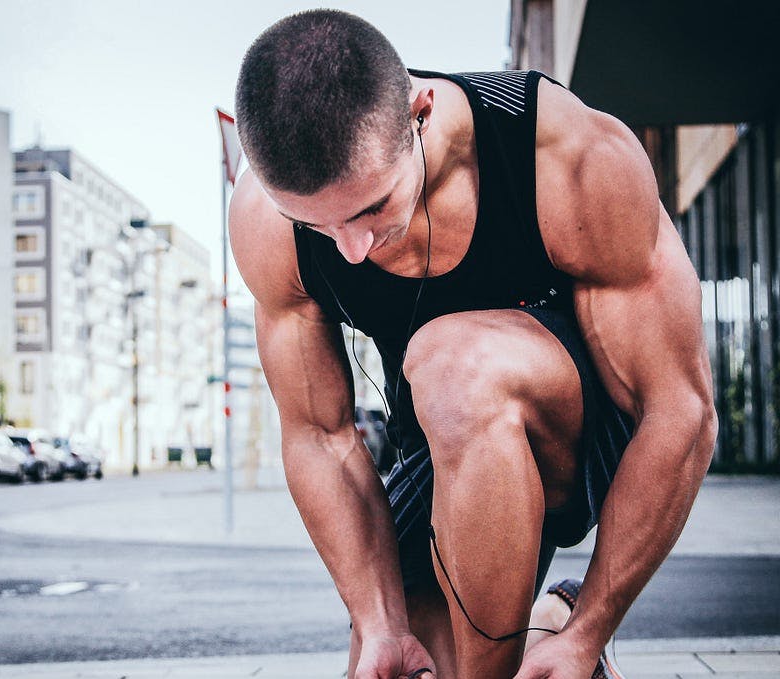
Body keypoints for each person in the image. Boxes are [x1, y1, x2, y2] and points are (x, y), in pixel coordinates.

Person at [227, 10, 718, 679]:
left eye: (372, 208)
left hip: (587, 435)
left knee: (453, 360)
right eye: (314, 223)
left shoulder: (563, 154)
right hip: (441, 447)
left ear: (420, 112)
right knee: (409, 665)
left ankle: (561, 626)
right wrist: (378, 620)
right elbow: (319, 434)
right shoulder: (263, 222)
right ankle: (543, 615)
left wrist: (590, 630)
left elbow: (681, 412)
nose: (350, 248)